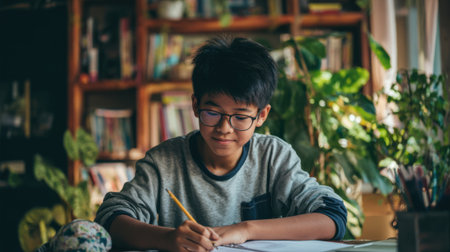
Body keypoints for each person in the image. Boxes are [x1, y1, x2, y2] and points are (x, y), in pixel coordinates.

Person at [95, 36, 347, 252]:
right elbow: (110, 217)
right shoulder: (164, 162)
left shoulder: (273, 156)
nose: (224, 128)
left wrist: (246, 229)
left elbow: (332, 217)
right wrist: (167, 238)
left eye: (240, 116)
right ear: (195, 105)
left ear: (261, 115)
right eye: (212, 112)